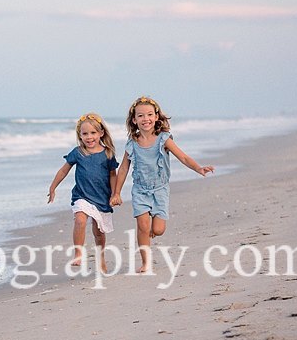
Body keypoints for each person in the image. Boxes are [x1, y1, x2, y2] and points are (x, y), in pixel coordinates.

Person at [110, 96, 214, 273]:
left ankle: (149, 233)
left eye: (150, 114)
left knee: (158, 230)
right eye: (141, 116)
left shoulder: (164, 139)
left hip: (160, 189)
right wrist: (116, 193)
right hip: (140, 190)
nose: (146, 119)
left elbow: (183, 157)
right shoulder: (132, 143)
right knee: (143, 225)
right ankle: (145, 262)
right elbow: (123, 169)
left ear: (157, 117)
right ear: (134, 120)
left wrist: (199, 168)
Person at [48, 113, 119, 271]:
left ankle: (101, 258)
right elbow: (63, 171)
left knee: (99, 231)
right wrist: (53, 187)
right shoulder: (78, 152)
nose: (89, 137)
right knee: (80, 220)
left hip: (102, 197)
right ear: (80, 135)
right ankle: (78, 253)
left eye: (93, 133)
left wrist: (115, 194)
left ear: (101, 133)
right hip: (82, 195)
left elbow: (113, 175)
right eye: (85, 133)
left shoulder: (108, 153)